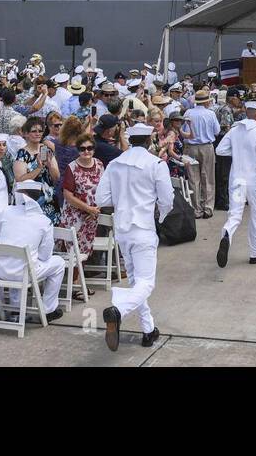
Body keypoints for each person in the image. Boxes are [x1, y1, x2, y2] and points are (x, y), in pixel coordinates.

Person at [96, 122, 175, 351]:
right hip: (143, 228)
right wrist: (160, 218)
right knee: (146, 283)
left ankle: (148, 329)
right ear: (149, 139)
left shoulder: (115, 164)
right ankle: (117, 310)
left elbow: (102, 200)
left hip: (122, 229)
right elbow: (167, 200)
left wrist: (122, 202)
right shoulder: (155, 163)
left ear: (130, 140)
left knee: (135, 282)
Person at [0, 181, 66, 323]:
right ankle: (48, 310)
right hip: (25, 272)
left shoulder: (6, 212)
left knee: (17, 259)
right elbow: (45, 256)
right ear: (39, 197)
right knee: (58, 263)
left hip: (0, 270)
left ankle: (16, 310)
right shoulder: (44, 221)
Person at [216, 100, 256, 266]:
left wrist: (236, 153)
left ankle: (227, 233)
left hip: (237, 178)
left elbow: (220, 150)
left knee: (235, 214)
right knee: (255, 214)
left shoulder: (234, 130)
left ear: (245, 113)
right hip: (253, 180)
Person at [60, 135, 105, 261]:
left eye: (89, 148)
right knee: (74, 252)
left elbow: (105, 189)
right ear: (78, 150)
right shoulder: (72, 167)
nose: (86, 151)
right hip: (75, 215)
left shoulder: (100, 165)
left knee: (86, 250)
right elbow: (67, 195)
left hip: (92, 215)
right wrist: (88, 208)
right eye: (82, 148)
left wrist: (95, 209)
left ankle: (80, 279)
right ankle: (74, 280)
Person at [12, 116, 60, 224]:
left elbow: (56, 177)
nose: (37, 133)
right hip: (30, 200)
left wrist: (49, 165)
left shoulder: (46, 150)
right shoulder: (22, 154)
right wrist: (38, 168)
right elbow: (20, 179)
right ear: (26, 134)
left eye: (40, 131)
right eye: (34, 131)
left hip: (49, 199)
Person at [182, 90, 219, 219]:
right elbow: (217, 131)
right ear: (207, 101)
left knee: (193, 179)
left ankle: (196, 209)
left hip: (191, 147)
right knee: (208, 177)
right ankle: (208, 208)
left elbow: (185, 131)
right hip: (206, 146)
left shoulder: (188, 113)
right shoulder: (210, 114)